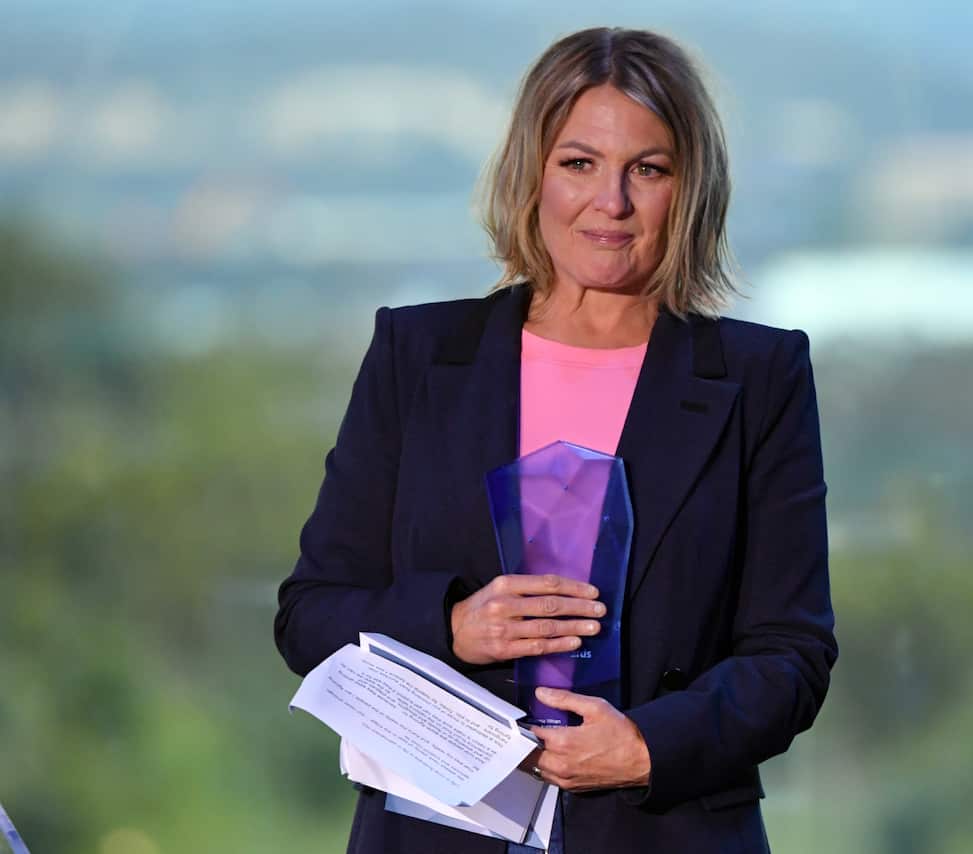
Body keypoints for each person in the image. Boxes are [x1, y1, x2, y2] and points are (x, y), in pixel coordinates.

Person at [274, 26, 836, 854]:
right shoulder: (418, 356)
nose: (610, 202)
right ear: (530, 173)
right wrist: (451, 624)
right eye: (579, 163)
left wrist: (649, 747)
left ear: (691, 190)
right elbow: (310, 615)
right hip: (438, 834)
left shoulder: (761, 376)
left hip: (664, 833)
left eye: (648, 169)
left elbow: (792, 655)